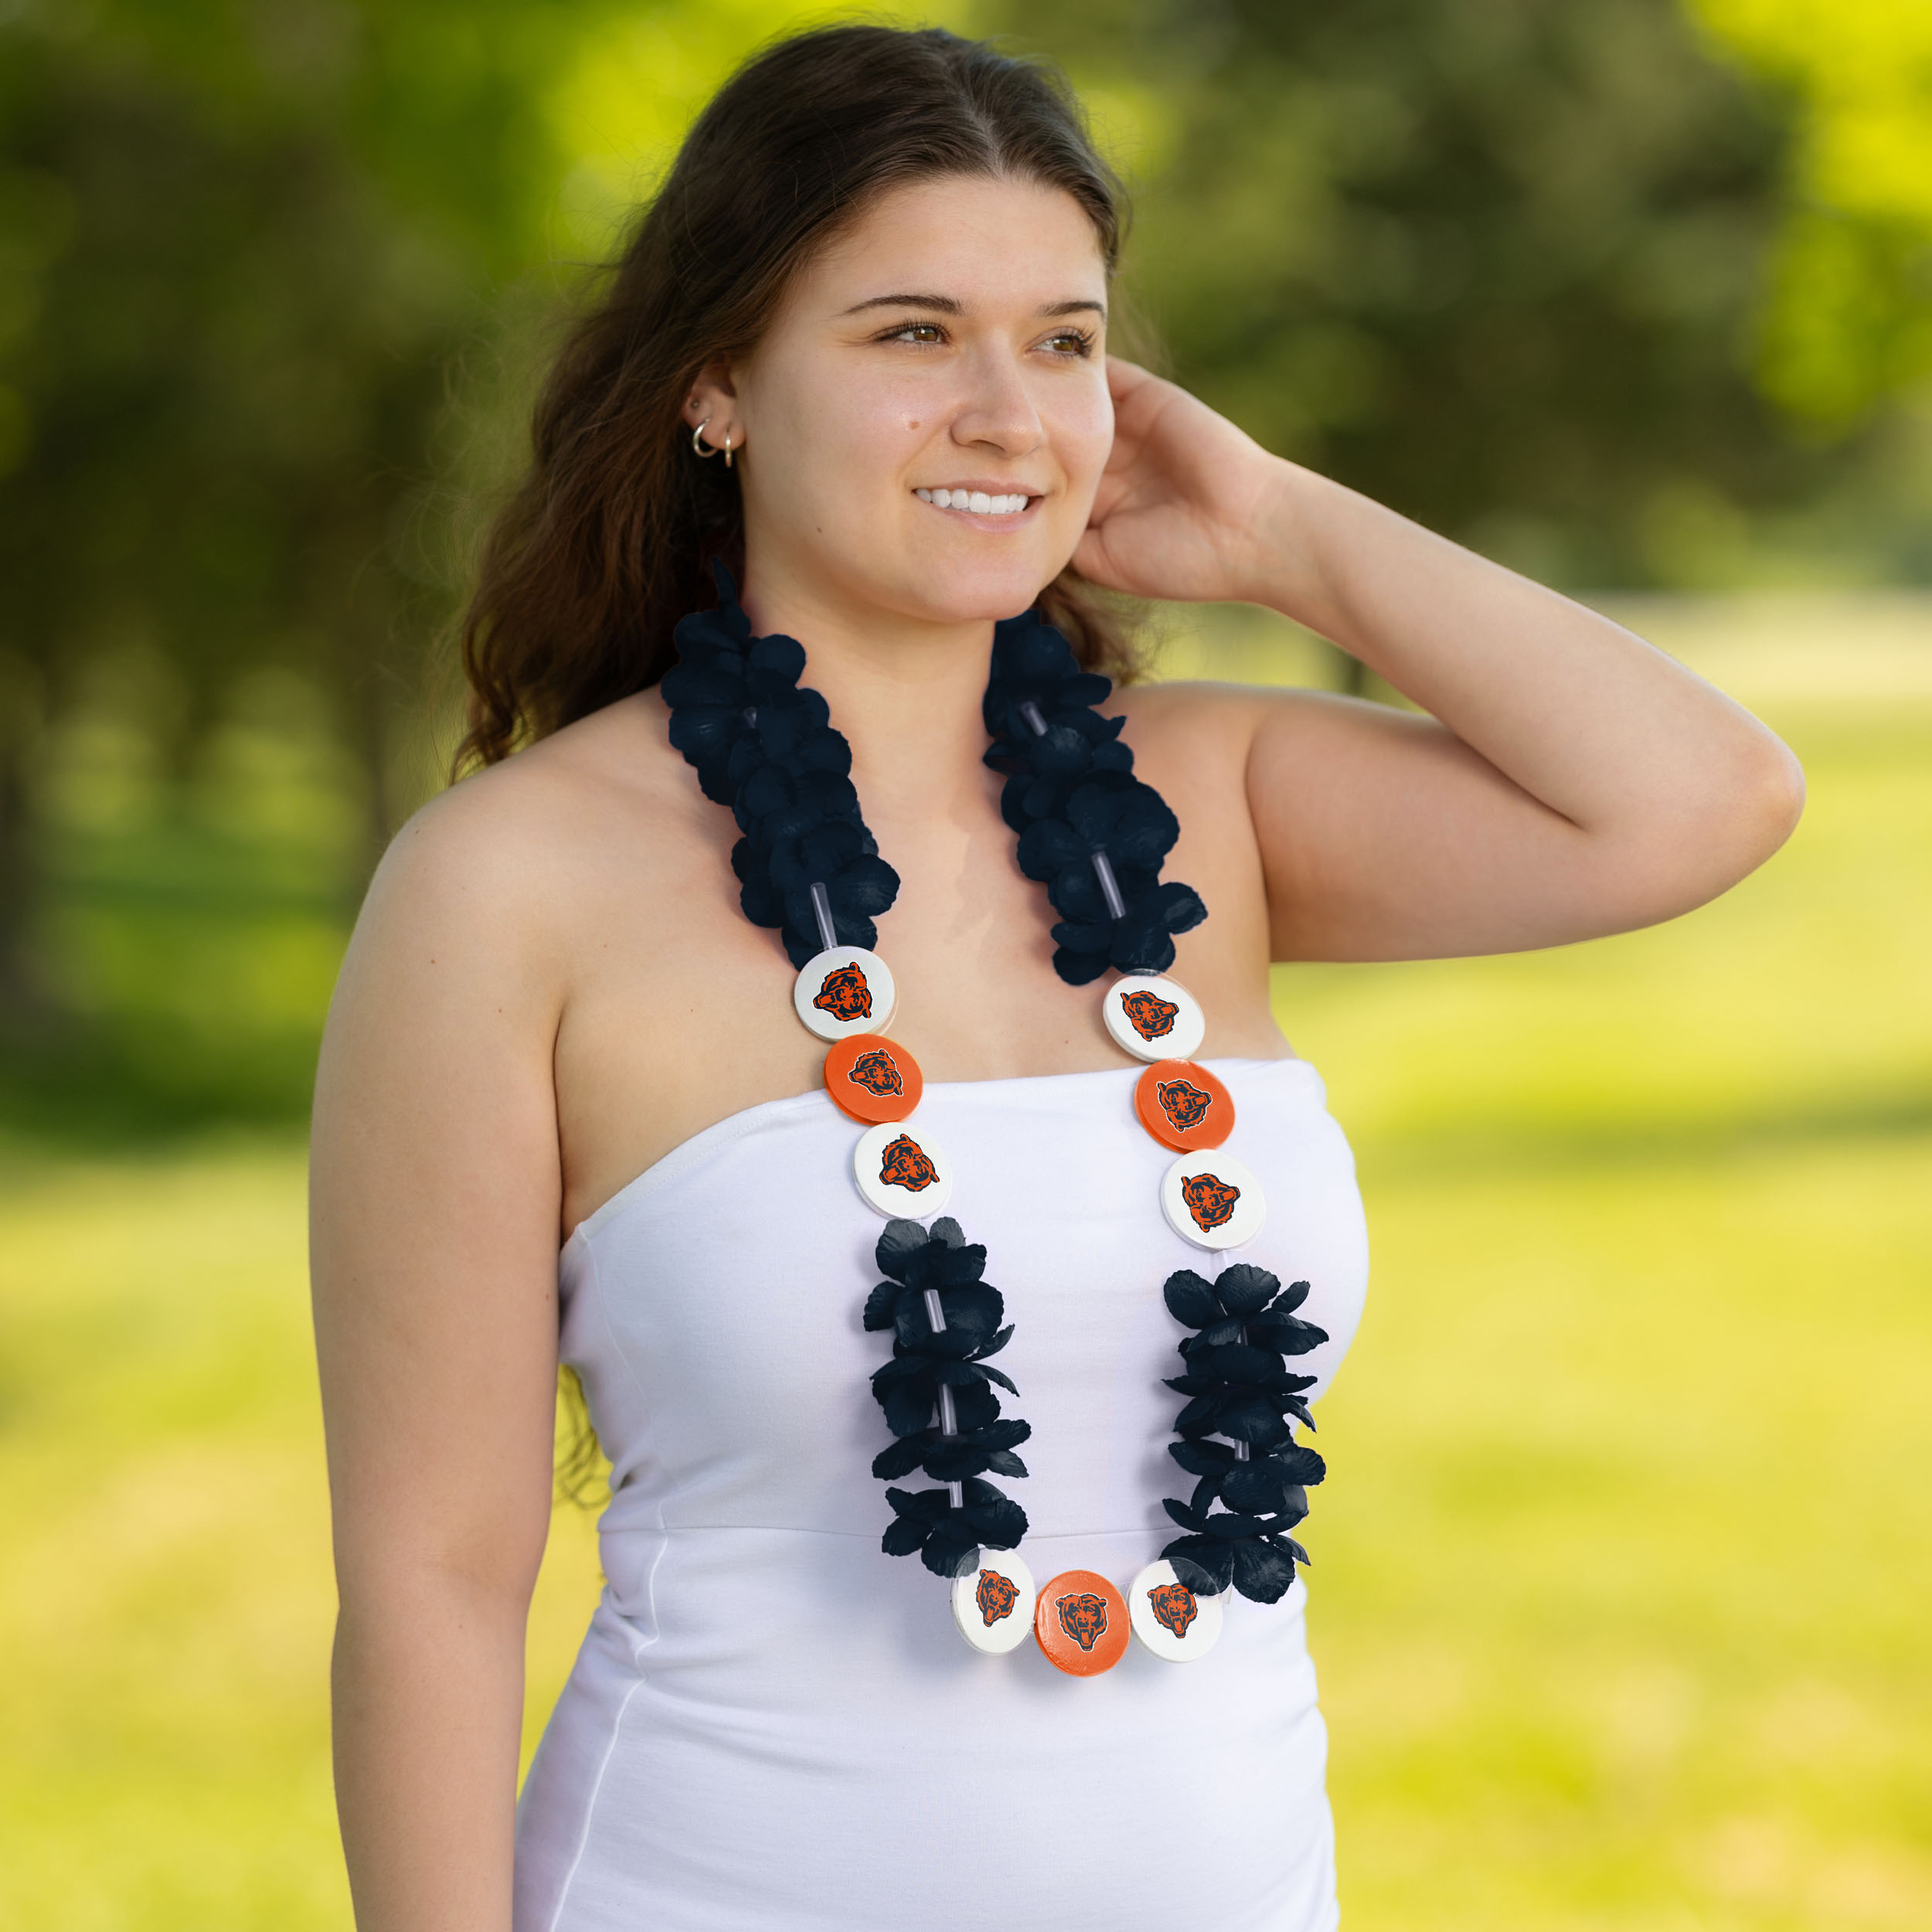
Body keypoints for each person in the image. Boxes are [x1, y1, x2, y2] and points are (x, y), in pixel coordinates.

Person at [308, 24, 1802, 1932]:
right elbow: (432, 1580)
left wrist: (1277, 530)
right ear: (717, 383)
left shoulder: (1206, 799)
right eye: (911, 333)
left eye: (1064, 340)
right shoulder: (506, 886)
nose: (1004, 411)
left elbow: (1699, 799)